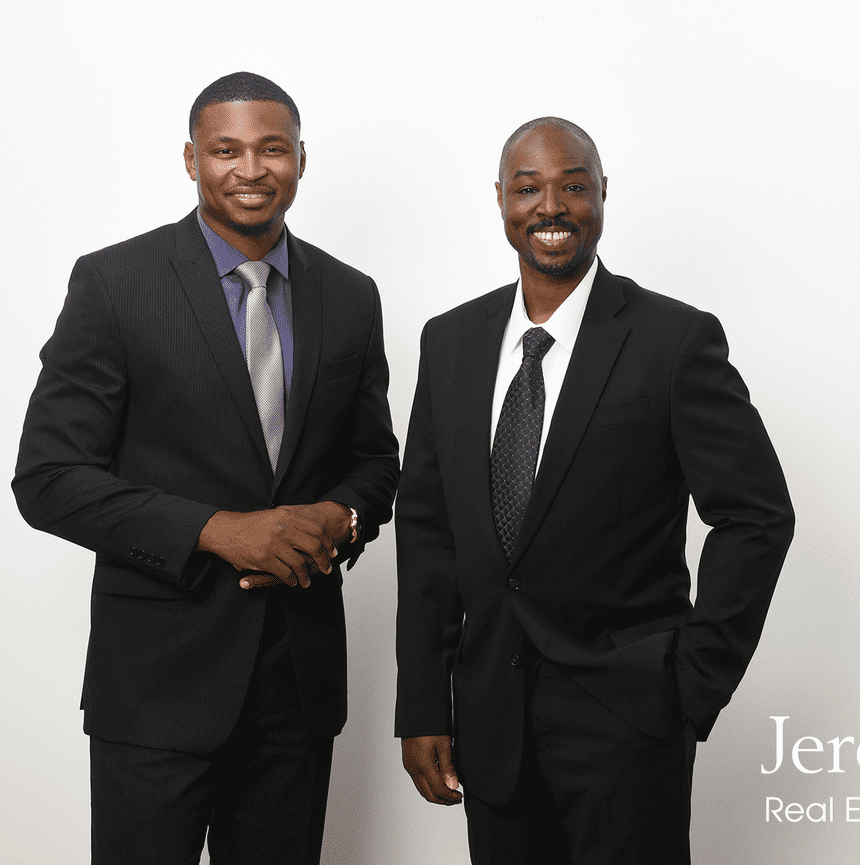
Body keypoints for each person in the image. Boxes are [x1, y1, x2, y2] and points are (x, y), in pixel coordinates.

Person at [12, 72, 398, 864]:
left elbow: (373, 458)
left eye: (271, 149)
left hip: (297, 685)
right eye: (226, 149)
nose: (250, 169)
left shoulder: (351, 296)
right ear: (191, 159)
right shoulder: (115, 284)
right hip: (158, 687)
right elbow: (47, 475)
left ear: (300, 159)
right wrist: (217, 530)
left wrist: (344, 516)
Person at [394, 117, 795, 864]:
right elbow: (428, 529)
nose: (552, 206)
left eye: (574, 186)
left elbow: (756, 515)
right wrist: (422, 703)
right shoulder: (448, 342)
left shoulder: (674, 341)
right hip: (491, 720)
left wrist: (691, 682)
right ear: (501, 200)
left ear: (603, 194)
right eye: (529, 188)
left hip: (629, 720)